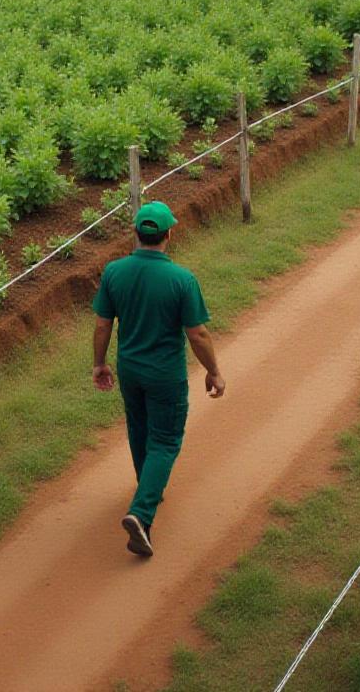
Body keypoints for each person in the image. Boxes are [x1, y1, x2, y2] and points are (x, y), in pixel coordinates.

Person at [91, 200, 224, 557]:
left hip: (130, 370)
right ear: (169, 234)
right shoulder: (181, 279)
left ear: (135, 233)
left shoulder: (114, 272)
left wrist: (99, 363)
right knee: (165, 441)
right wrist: (213, 371)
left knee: (138, 428)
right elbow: (197, 335)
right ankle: (141, 512)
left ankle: (146, 488)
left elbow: (103, 324)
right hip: (165, 375)